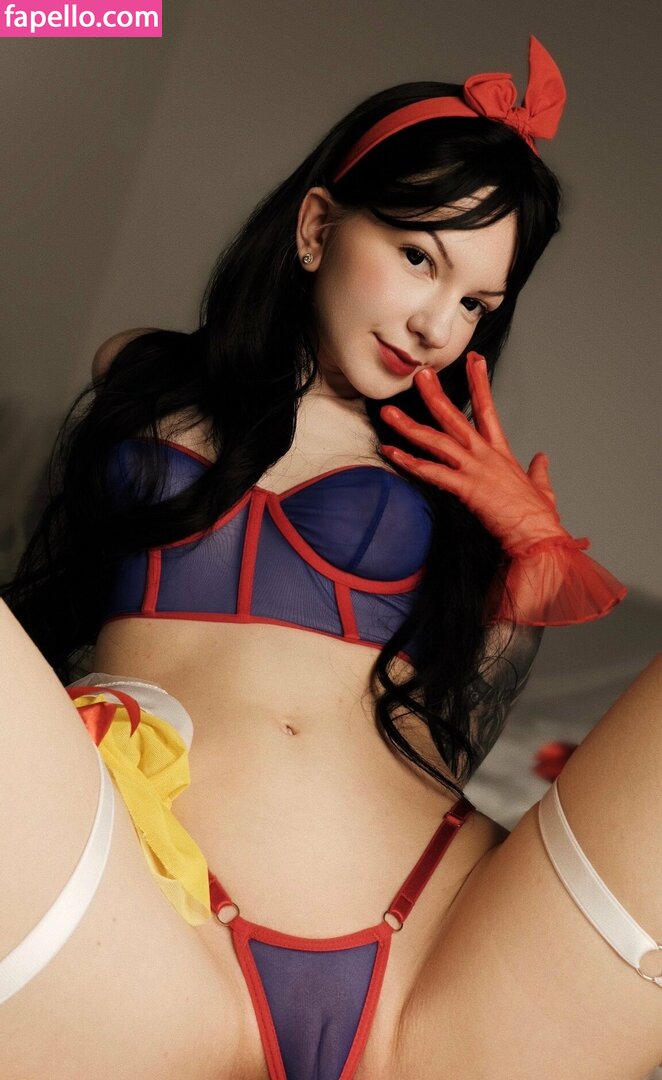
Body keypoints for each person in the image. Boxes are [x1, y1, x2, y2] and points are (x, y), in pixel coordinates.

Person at [1, 34, 659, 1080]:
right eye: (419, 258)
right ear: (317, 227)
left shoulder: (449, 485)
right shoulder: (148, 378)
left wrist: (526, 562)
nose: (437, 324)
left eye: (476, 304)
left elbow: (451, 731)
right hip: (155, 935)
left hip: (431, 958)